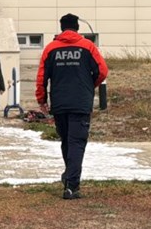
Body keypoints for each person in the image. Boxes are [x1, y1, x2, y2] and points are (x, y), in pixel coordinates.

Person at [36, 13, 108, 200]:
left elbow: (42, 77)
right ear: (77, 27)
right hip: (81, 102)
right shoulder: (88, 46)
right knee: (77, 143)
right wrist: (89, 85)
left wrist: (42, 100)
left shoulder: (51, 48)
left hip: (59, 103)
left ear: (61, 28)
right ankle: (72, 185)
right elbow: (102, 71)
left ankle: (69, 177)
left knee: (67, 141)